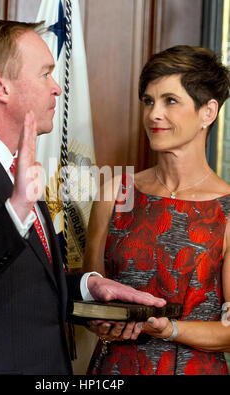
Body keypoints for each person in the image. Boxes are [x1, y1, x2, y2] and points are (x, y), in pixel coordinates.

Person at [0, 19, 165, 375]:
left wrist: (89, 287)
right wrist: (16, 209)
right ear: (0, 87)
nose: (56, 88)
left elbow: (26, 287)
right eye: (44, 74)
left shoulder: (17, 164)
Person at [84, 45, 230, 375]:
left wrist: (168, 330)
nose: (153, 115)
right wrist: (99, 322)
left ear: (208, 112)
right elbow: (90, 294)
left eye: (170, 101)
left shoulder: (227, 210)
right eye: (148, 101)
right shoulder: (115, 192)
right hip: (114, 370)